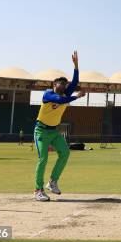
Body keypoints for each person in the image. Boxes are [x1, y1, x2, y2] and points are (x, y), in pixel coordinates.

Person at [33, 51, 86, 202]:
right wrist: (76, 96)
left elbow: (74, 83)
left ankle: (52, 182)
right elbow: (60, 100)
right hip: (41, 131)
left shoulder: (65, 93)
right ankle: (38, 190)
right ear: (54, 85)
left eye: (65, 83)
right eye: (60, 82)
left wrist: (76, 66)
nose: (63, 84)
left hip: (54, 131)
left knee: (65, 153)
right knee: (43, 159)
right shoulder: (48, 94)